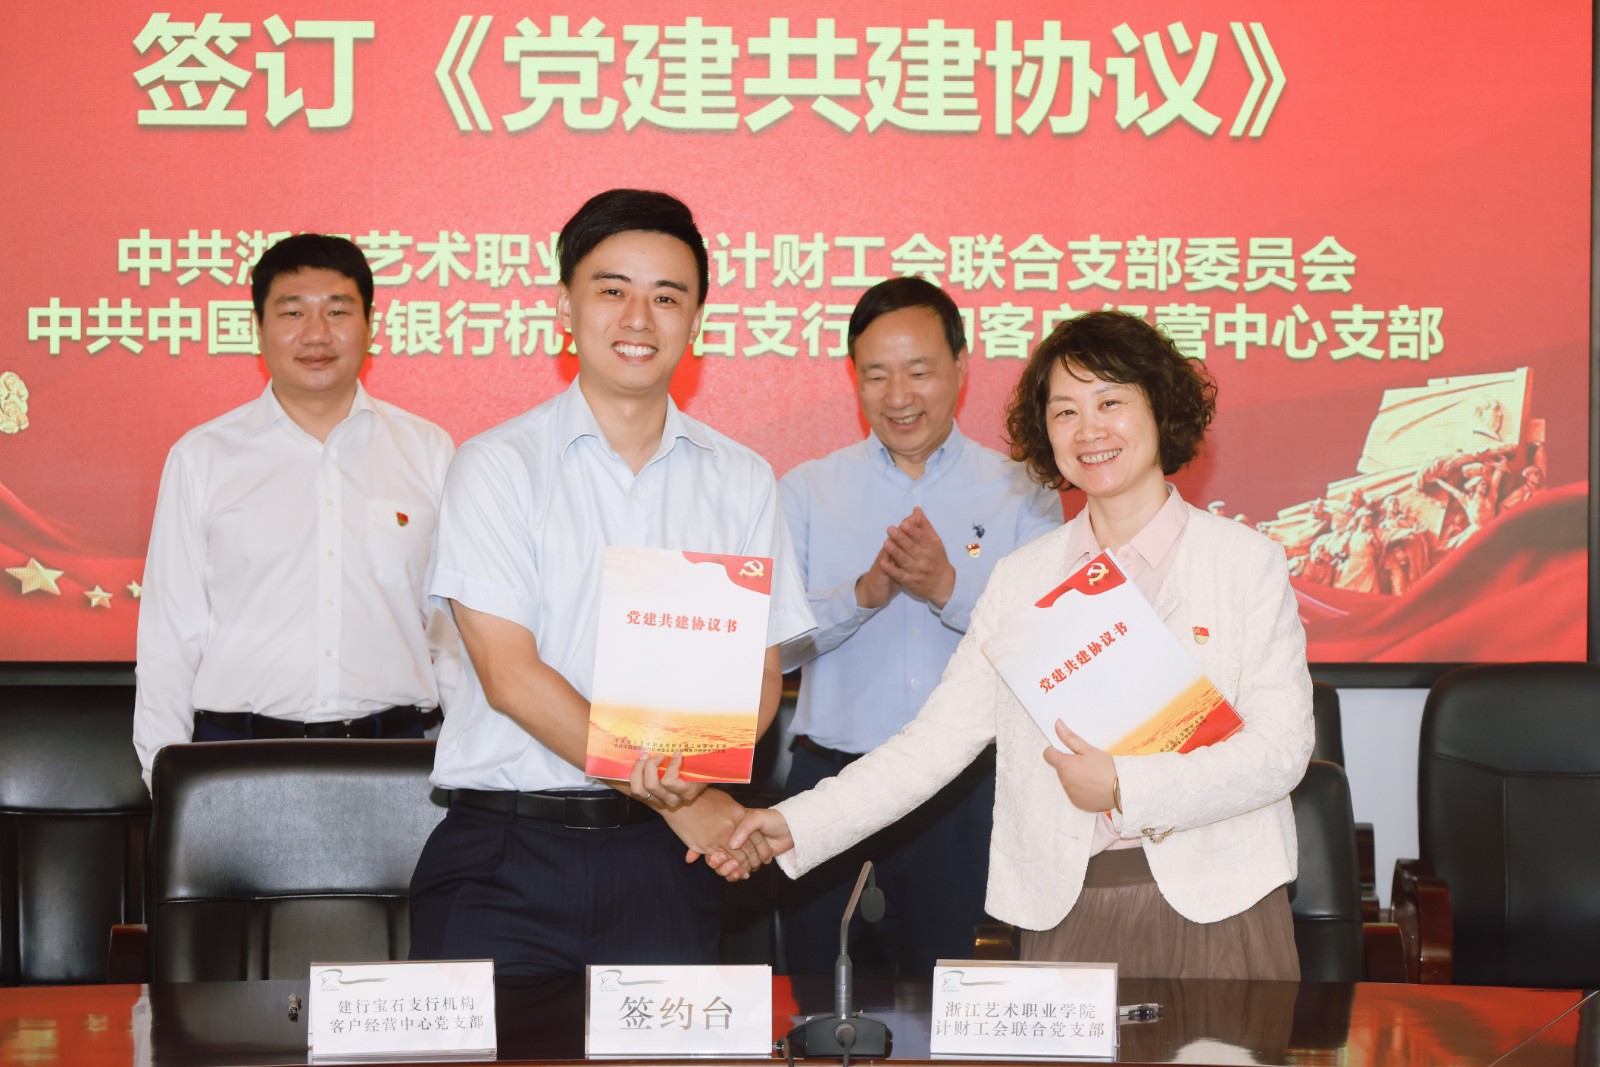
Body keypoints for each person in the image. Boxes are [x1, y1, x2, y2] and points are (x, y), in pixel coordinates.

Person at [712, 309, 1314, 980]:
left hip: (1223, 899)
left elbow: (1280, 752)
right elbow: (934, 743)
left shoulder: (1243, 562)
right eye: (1065, 412)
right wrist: (792, 824)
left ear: (1160, 406)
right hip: (1068, 908)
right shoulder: (1024, 579)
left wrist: (1126, 784)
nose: (1089, 430)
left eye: (1110, 402)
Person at [409, 189, 814, 976]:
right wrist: (679, 796)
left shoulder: (742, 480)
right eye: (612, 290)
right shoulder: (496, 466)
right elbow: (510, 675)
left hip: (665, 863)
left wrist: (682, 790)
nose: (639, 318)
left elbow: (758, 676)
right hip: (505, 855)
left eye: (667, 297)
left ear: (696, 320)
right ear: (565, 306)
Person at [776, 277, 1060, 975]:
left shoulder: (1024, 491)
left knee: (962, 1005)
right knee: (828, 1001)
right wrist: (864, 595)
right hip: (831, 782)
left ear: (961, 367)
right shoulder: (806, 491)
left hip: (967, 792)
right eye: (876, 375)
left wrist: (949, 590)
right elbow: (773, 650)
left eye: (919, 370)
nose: (898, 395)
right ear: (854, 378)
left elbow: (1047, 648)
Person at [133, 234, 457, 791]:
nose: (316, 334)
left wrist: (468, 762)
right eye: (292, 312)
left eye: (338, 311)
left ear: (370, 326)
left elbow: (454, 633)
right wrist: (163, 776)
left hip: (397, 758)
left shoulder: (427, 451)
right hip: (234, 760)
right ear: (258, 329)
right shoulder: (202, 457)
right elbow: (169, 637)